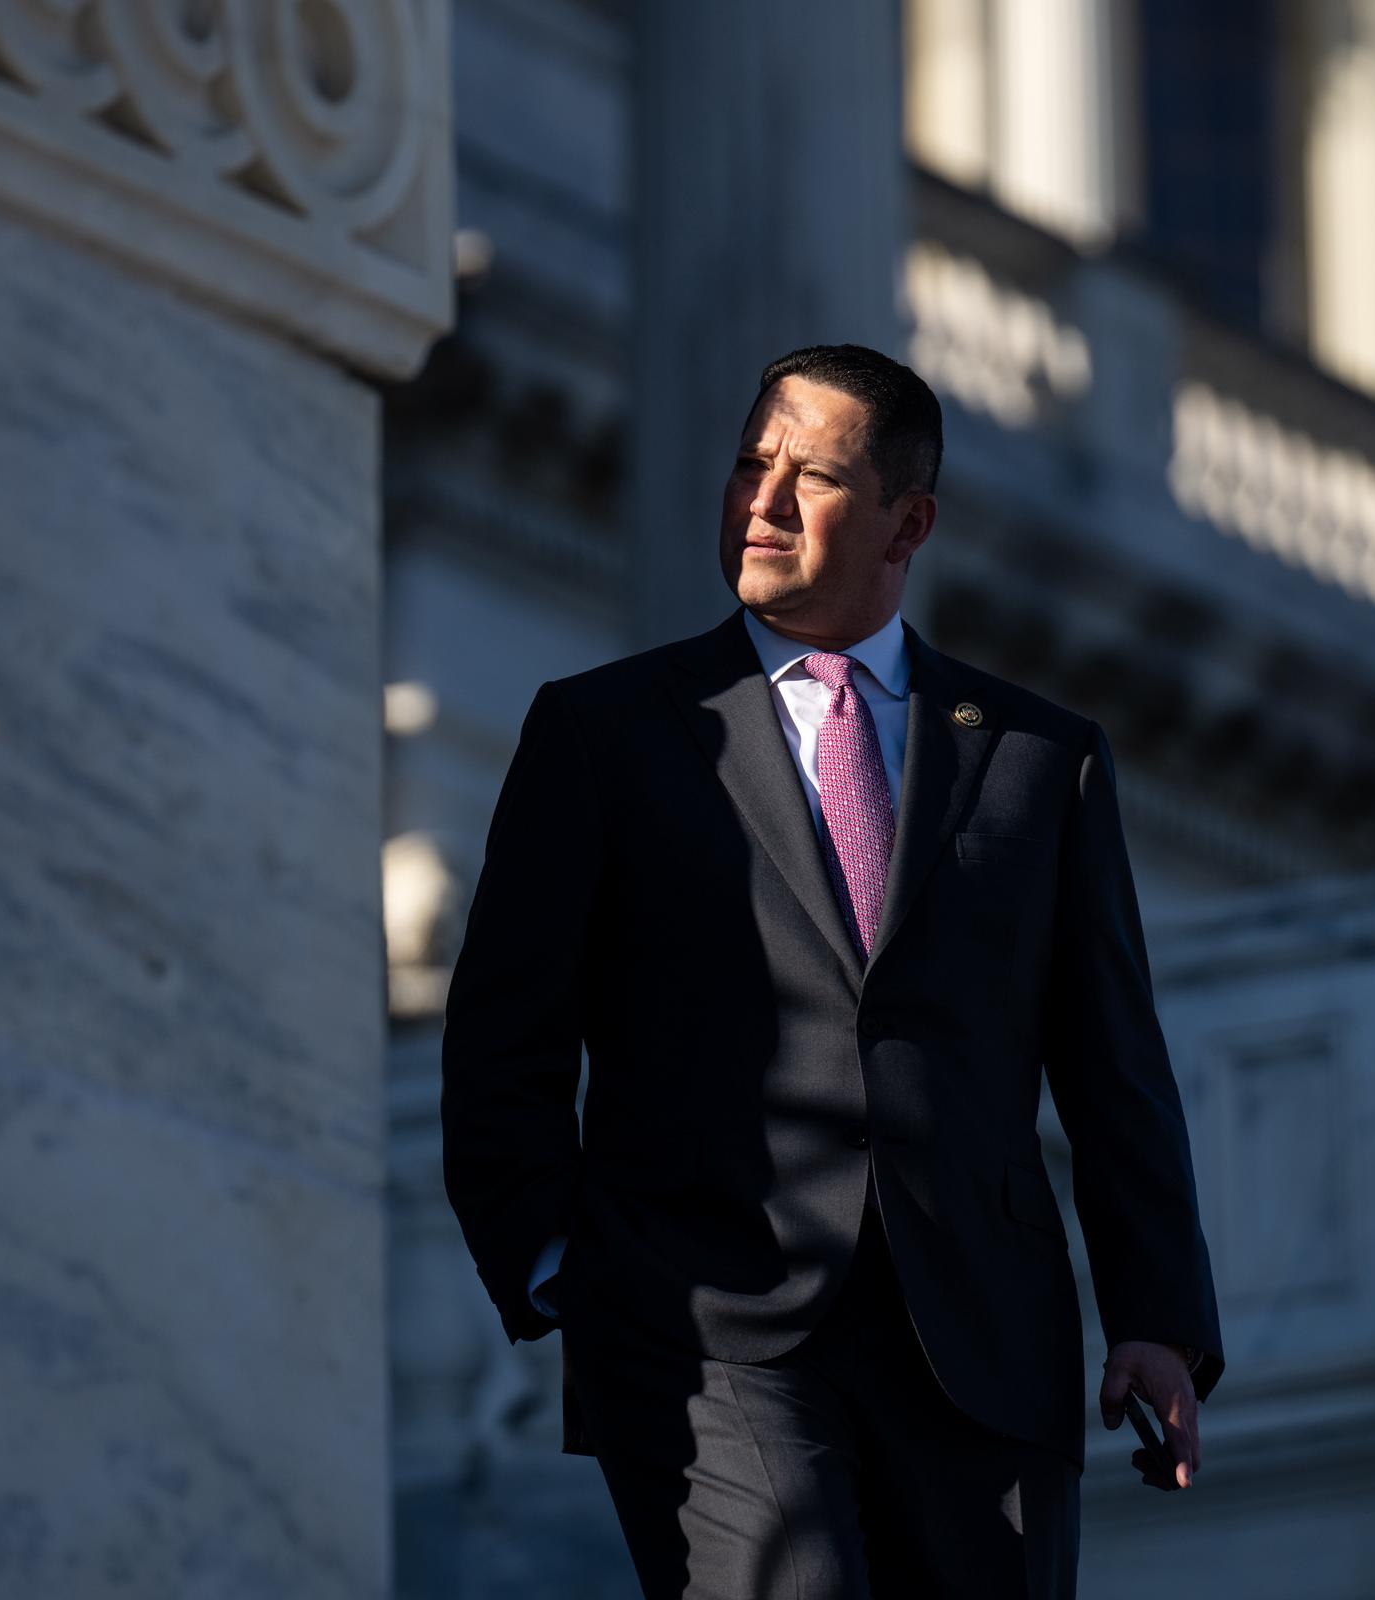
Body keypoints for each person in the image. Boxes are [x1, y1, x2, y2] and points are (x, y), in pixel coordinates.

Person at [440, 343, 1224, 1597]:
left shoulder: (1039, 758)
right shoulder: (606, 734)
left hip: (980, 1343)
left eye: (810, 478)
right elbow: (505, 1035)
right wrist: (555, 1263)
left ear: (907, 522)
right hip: (704, 1324)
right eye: (752, 463)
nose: (761, 500)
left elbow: (1113, 1059)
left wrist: (1158, 1317)